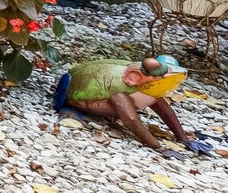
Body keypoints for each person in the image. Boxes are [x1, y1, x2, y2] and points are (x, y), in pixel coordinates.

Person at [53, 56, 212, 154]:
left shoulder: (150, 91)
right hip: (76, 94)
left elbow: (165, 112)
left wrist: (183, 138)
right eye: (160, 76)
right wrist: (158, 147)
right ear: (135, 77)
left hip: (114, 83)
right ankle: (68, 109)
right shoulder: (122, 94)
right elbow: (131, 120)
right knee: (68, 89)